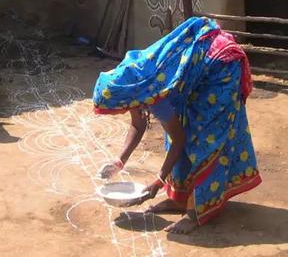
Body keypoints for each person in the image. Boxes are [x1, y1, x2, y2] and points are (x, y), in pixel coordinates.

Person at [94, 17, 261, 234]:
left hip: (221, 67)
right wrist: (119, 161)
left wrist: (158, 181)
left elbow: (179, 139)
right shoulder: (132, 84)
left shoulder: (153, 94)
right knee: (180, 124)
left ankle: (196, 211)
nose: (124, 111)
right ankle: (179, 198)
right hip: (198, 67)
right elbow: (138, 124)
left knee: (205, 137)